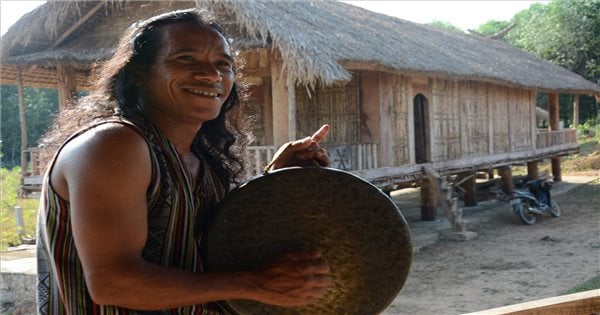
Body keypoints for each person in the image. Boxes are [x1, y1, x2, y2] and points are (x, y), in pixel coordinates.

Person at [37, 9, 332, 314]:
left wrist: (275, 179)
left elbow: (211, 243)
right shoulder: (114, 145)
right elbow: (113, 283)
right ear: (138, 72)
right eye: (185, 59)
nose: (210, 74)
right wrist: (253, 283)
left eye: (223, 64)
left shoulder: (201, 160)